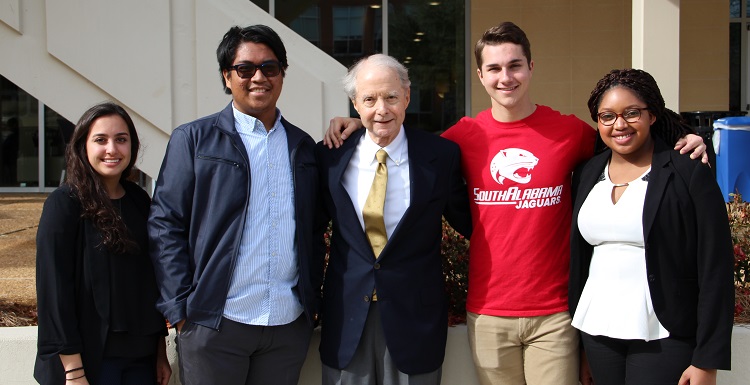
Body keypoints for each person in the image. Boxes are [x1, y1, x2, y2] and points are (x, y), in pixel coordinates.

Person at [323, 22, 707, 385]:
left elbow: (625, 134)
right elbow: (401, 142)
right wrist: (362, 125)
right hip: (488, 312)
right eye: (493, 68)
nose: (505, 77)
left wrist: (684, 137)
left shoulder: (569, 132)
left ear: (530, 67)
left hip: (555, 313)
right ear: (480, 76)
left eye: (514, 66)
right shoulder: (458, 139)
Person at [148, 24, 325, 385]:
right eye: (245, 69)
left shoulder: (303, 147)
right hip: (215, 324)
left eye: (270, 67)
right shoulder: (193, 140)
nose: (258, 77)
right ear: (227, 77)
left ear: (282, 74)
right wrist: (182, 311)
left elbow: (316, 226)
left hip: (286, 325)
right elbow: (165, 225)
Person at [569, 68, 734, 385]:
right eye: (607, 116)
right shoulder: (587, 173)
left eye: (632, 113)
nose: (620, 124)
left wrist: (706, 360)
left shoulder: (687, 172)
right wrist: (581, 348)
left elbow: (716, 267)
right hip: (597, 331)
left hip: (665, 334)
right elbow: (581, 258)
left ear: (653, 115)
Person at [316, 53, 472, 385]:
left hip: (416, 320)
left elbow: (473, 225)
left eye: (390, 97)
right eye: (369, 99)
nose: (381, 109)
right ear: (355, 104)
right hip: (347, 320)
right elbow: (307, 227)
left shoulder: (440, 156)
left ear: (407, 97)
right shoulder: (330, 156)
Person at [34, 102, 171, 385]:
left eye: (121, 140)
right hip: (90, 361)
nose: (112, 149)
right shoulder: (65, 204)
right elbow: (54, 290)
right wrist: (73, 371)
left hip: (141, 359)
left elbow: (151, 281)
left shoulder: (139, 201)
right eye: (100, 140)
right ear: (83, 146)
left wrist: (160, 352)